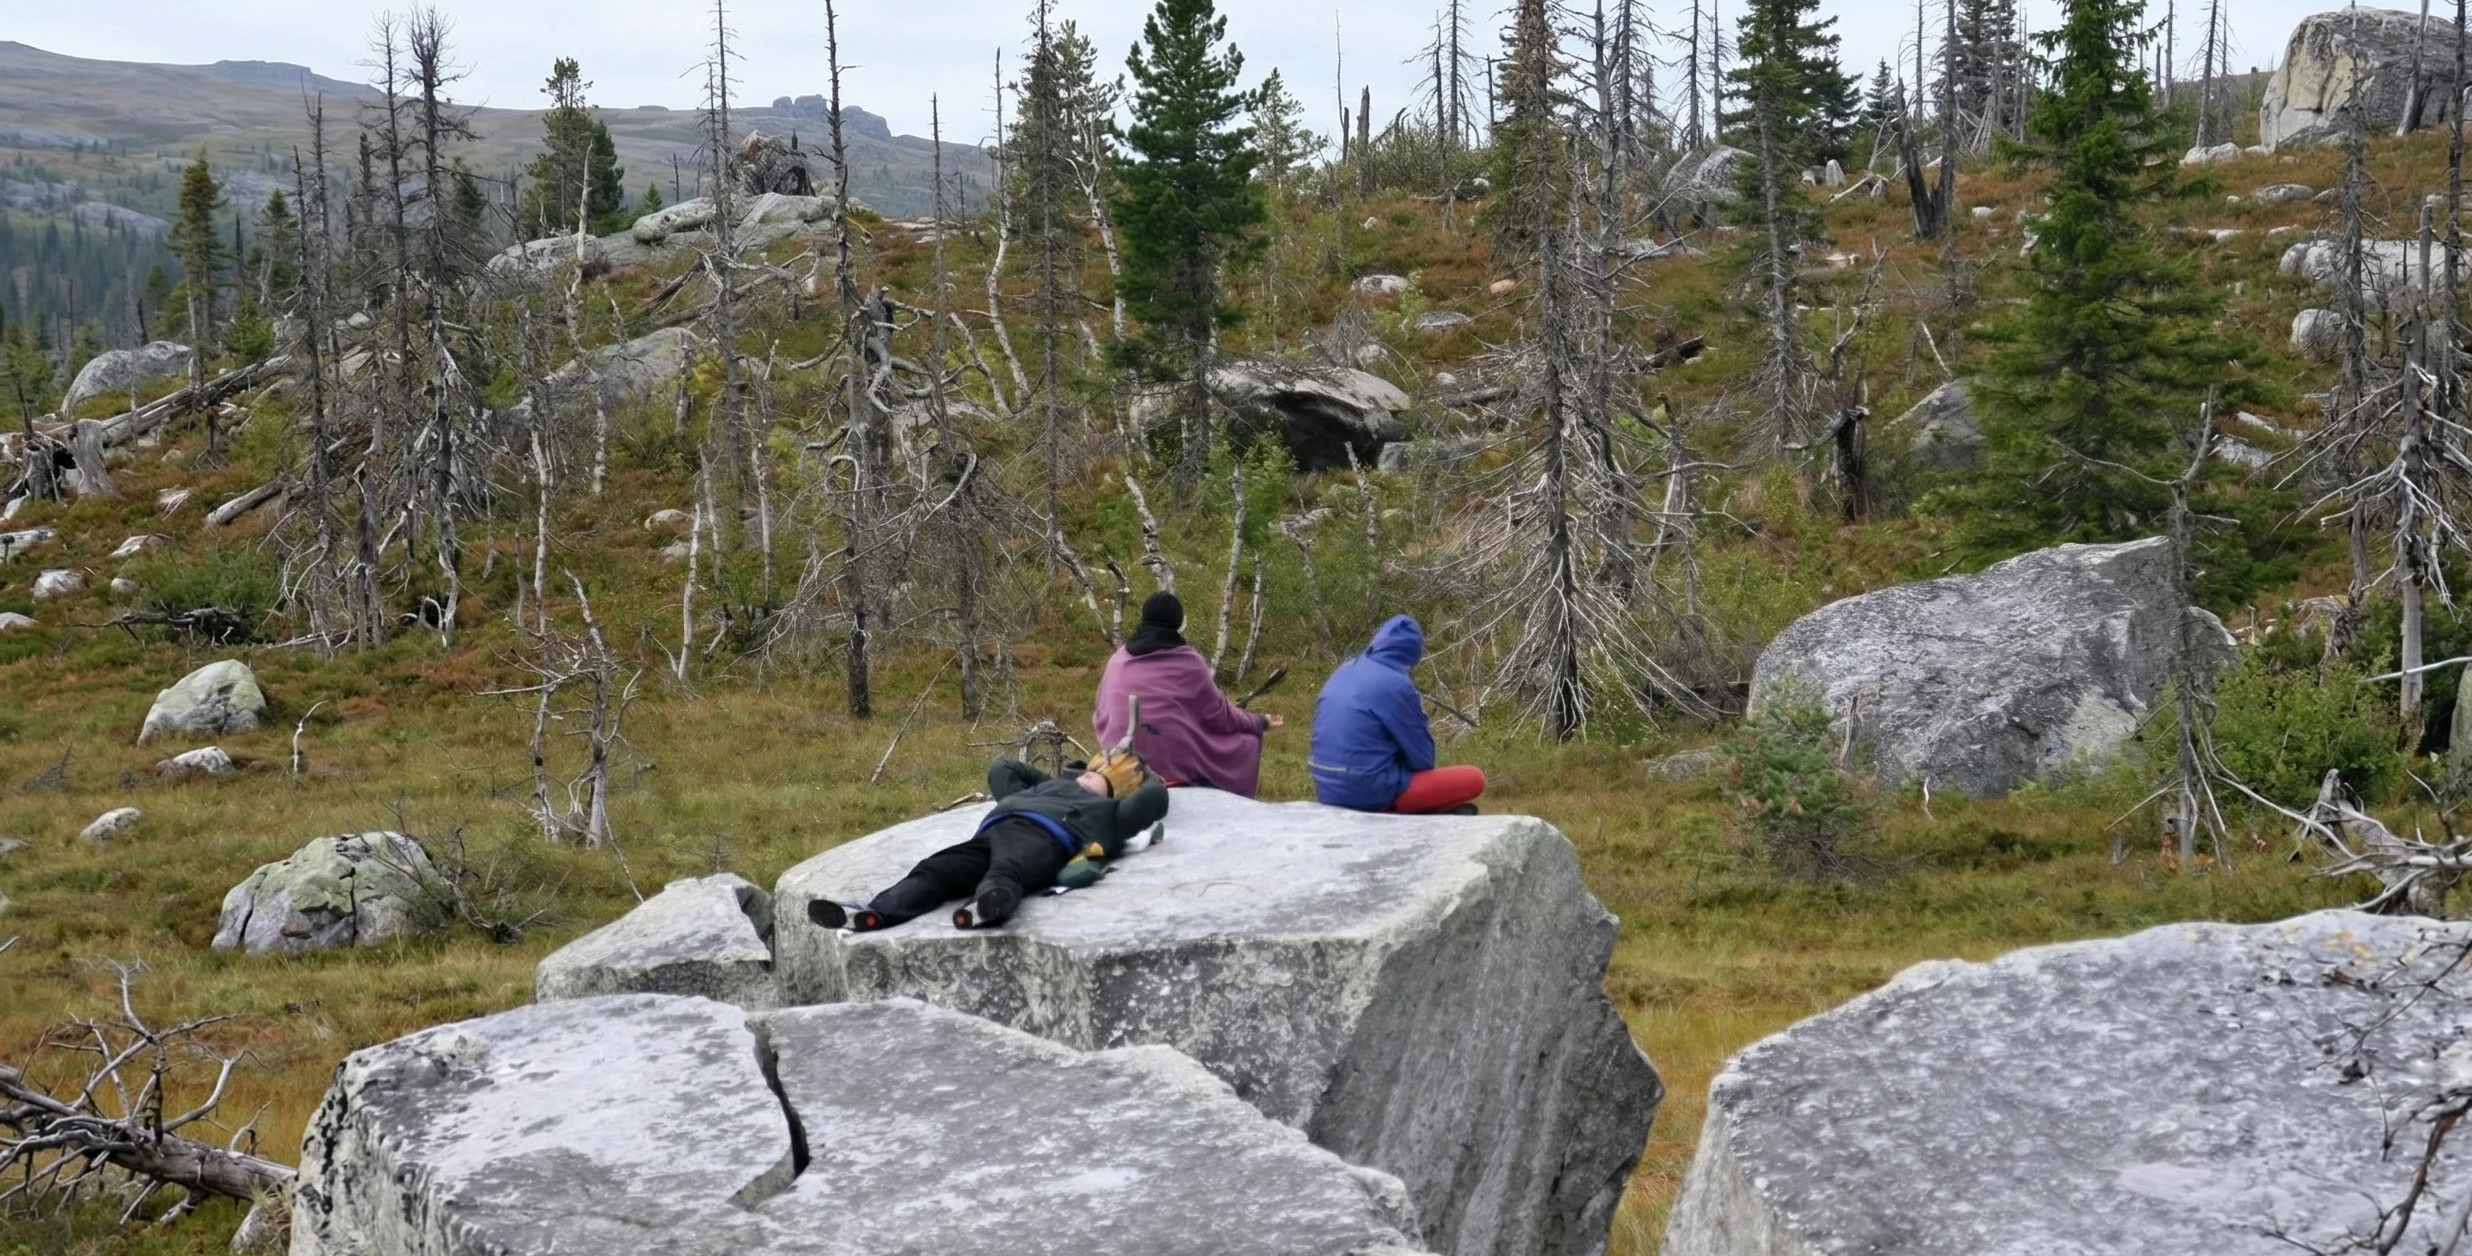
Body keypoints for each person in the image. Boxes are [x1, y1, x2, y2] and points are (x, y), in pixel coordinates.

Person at [807, 754, 1169, 931]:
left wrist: (1146, 773)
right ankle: (871, 915)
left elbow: (1153, 800)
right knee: (936, 869)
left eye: (1101, 776)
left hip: (1046, 838)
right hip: (995, 831)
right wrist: (1063, 779)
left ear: (1118, 791)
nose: (1092, 775)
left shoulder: (1110, 814)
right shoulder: (1047, 787)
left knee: (1008, 870)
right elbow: (1003, 769)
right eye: (1089, 770)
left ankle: (986, 906)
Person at [1093, 591, 1283, 797]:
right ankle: (1229, 804)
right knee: (1248, 742)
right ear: (1178, 622)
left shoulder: (1118, 658)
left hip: (1116, 754)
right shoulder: (1189, 662)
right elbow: (1220, 715)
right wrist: (1259, 722)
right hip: (1168, 762)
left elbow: (1101, 711)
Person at [1308, 614, 1487, 814]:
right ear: (1412, 653)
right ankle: (1401, 812)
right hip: (1365, 791)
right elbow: (1423, 759)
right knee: (1473, 778)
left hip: (1325, 786)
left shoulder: (1344, 670)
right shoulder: (1396, 684)